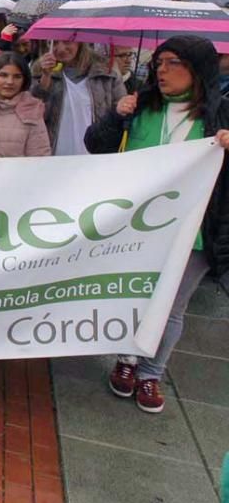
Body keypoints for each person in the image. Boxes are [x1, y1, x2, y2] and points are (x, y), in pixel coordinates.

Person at [86, 36, 229, 413]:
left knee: (172, 305)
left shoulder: (221, 115)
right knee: (132, 296)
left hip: (195, 230)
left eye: (172, 63)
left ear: (196, 70)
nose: (161, 71)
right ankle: (127, 359)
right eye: (159, 63)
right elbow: (95, 147)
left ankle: (151, 373)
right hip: (137, 227)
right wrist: (116, 116)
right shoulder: (140, 106)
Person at [32, 41, 126, 156]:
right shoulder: (39, 70)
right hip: (54, 156)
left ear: (81, 42)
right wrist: (45, 77)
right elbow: (33, 115)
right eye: (55, 43)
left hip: (97, 155)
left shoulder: (106, 70)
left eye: (68, 41)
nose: (61, 48)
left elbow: (119, 112)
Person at [0, 52, 52, 158]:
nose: (10, 82)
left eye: (17, 76)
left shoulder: (31, 109)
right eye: (3, 75)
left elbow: (40, 156)